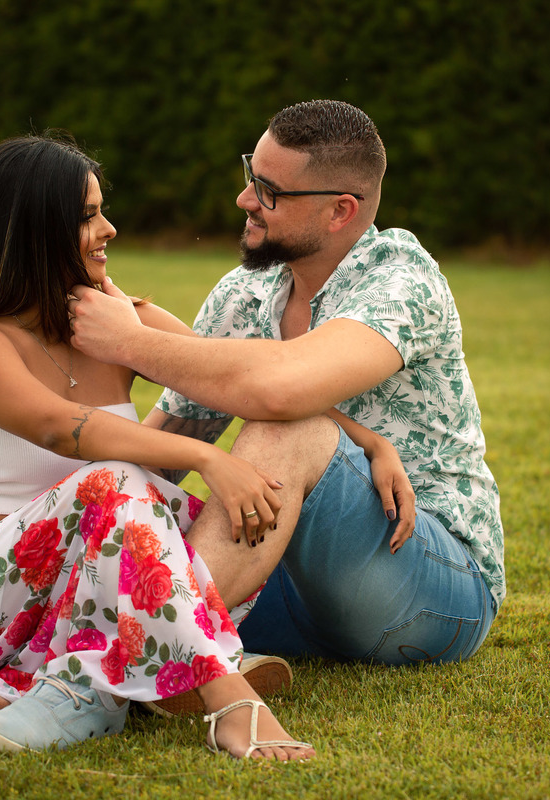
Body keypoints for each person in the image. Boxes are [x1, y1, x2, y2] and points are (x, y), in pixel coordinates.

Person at [0, 133, 315, 762]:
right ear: (33, 227)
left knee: (191, 519)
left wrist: (365, 441)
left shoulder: (117, 320)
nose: (108, 228)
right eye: (87, 215)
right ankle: (228, 697)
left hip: (69, 592)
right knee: (117, 481)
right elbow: (61, 429)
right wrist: (206, 456)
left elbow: (243, 379)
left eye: (102, 210)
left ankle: (84, 682)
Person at [67, 99, 504, 670]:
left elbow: (284, 393)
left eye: (270, 191)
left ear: (340, 211)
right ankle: (91, 647)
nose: (245, 200)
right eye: (251, 176)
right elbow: (155, 452)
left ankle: (114, 672)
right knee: (132, 503)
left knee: (290, 431)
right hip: (281, 587)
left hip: (430, 586)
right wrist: (13, 513)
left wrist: (127, 340)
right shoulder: (243, 293)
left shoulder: (403, 279)